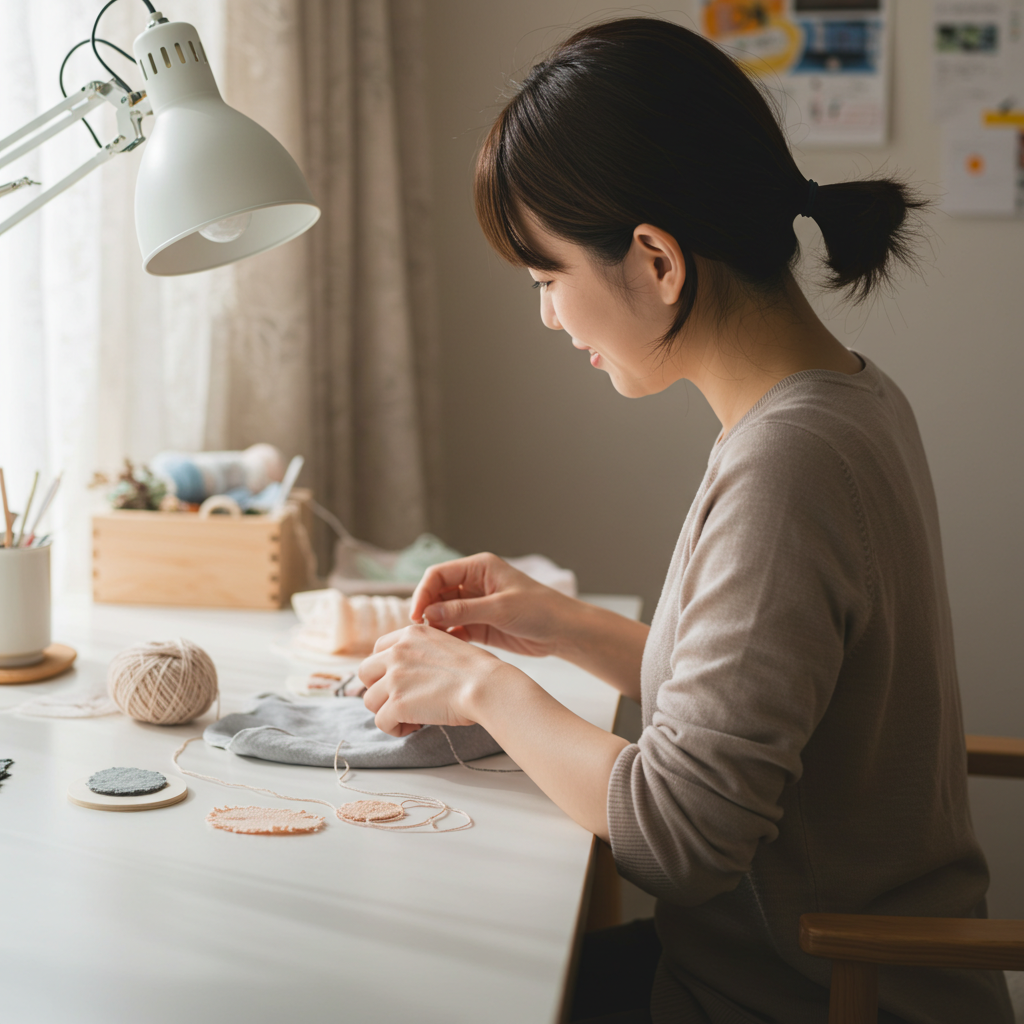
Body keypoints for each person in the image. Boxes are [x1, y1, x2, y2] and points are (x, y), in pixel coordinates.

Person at [356, 18, 1013, 1024]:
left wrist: (484, 688)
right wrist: (558, 624)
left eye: (547, 280)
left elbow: (677, 834)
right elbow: (759, 695)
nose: (547, 317)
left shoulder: (785, 464)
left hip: (812, 998)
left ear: (656, 261)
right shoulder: (842, 400)